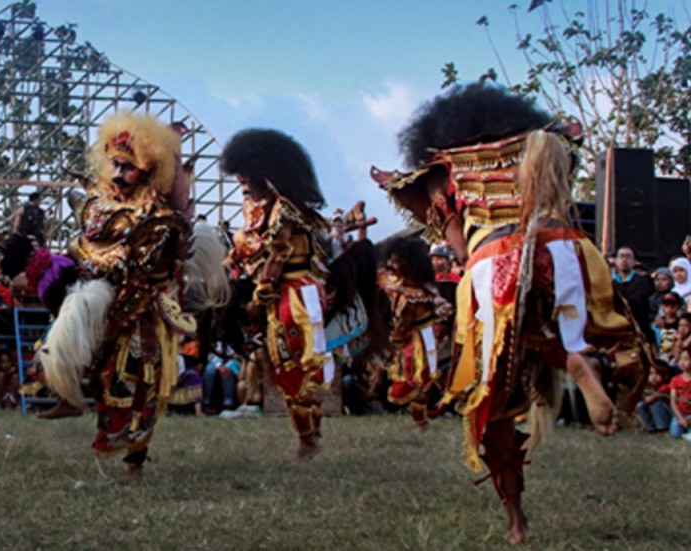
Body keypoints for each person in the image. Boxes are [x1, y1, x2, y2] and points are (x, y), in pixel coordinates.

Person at [370, 83, 651, 544]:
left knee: (489, 399)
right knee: (582, 331)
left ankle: (516, 519)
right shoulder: (543, 144)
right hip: (564, 248)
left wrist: (464, 258)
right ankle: (582, 359)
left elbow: (457, 243)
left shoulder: (448, 166)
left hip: (493, 260)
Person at [39, 111, 230, 481]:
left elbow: (154, 254)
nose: (118, 174)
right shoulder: (96, 204)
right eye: (114, 164)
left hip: (143, 310)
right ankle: (67, 393)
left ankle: (134, 463)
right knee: (64, 345)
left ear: (144, 171)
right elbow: (83, 246)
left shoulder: (156, 213)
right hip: (102, 301)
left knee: (137, 383)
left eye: (128, 167)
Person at [223, 128, 387, 462]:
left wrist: (259, 298)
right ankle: (308, 434)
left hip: (298, 294)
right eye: (239, 180)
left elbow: (277, 255)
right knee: (284, 368)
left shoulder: (287, 210)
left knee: (305, 362)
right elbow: (247, 250)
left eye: (246, 179)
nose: (243, 186)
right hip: (276, 298)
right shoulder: (251, 208)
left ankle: (310, 433)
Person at [380, 236, 451, 433]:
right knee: (419, 379)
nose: (392, 265)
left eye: (397, 261)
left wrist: (395, 339)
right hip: (421, 337)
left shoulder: (415, 294)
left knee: (415, 379)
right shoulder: (411, 287)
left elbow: (403, 324)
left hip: (419, 340)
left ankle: (422, 422)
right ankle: (422, 420)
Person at [613, 246, 653, 329]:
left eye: (628, 256)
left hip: (637, 327)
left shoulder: (642, 281)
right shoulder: (612, 282)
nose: (624, 260)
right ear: (616, 261)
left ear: (635, 262)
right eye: (621, 256)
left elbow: (637, 302)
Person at [636, 361, 673, 434]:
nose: (653, 377)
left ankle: (663, 427)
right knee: (640, 405)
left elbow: (649, 400)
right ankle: (651, 428)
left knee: (655, 404)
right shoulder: (650, 387)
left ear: (665, 376)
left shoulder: (665, 387)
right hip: (657, 413)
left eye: (657, 374)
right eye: (651, 373)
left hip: (669, 414)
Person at [669, 349, 691, 440]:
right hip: (681, 413)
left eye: (686, 359)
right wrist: (680, 418)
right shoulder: (675, 380)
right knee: (675, 434)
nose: (682, 362)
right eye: (680, 359)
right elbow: (673, 401)